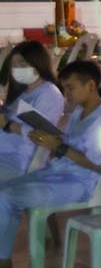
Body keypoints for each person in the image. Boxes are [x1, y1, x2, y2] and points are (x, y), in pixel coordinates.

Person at [0, 60, 101, 268]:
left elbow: (100, 166)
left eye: (71, 88)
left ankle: (4, 267)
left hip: (82, 183)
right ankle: (3, 260)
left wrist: (59, 147)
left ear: (91, 85)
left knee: (6, 197)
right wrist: (50, 141)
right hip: (59, 172)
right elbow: (69, 144)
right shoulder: (80, 112)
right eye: (65, 88)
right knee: (3, 192)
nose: (67, 94)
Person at [0, 40, 64, 183]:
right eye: (14, 65)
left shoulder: (49, 94)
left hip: (19, 160)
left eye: (22, 64)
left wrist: (7, 125)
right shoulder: (25, 92)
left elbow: (42, 134)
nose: (17, 69)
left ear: (38, 63)